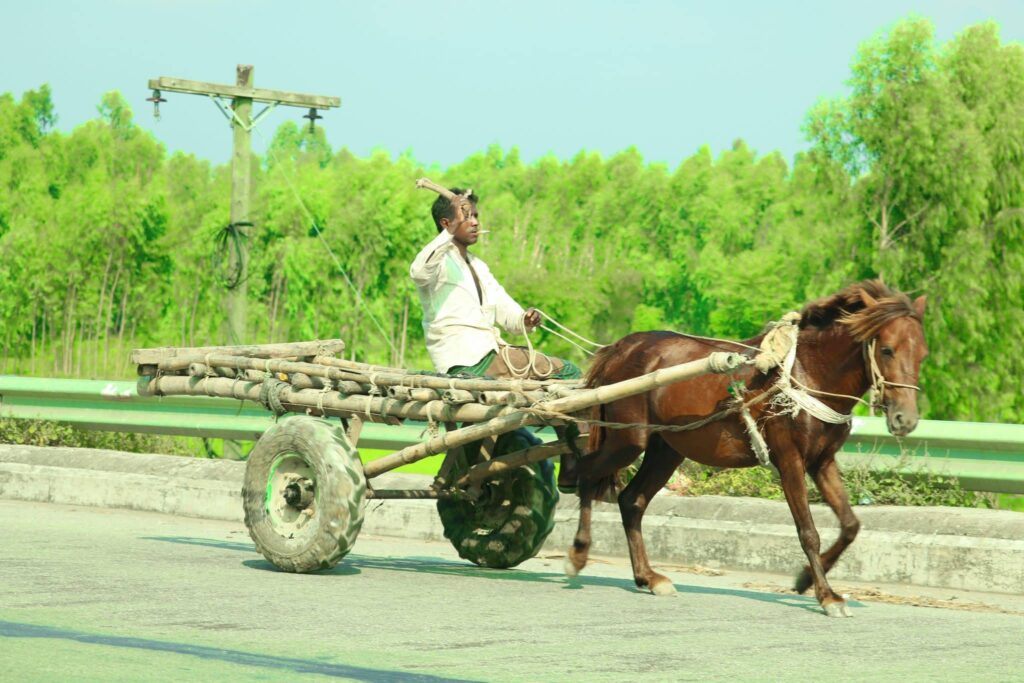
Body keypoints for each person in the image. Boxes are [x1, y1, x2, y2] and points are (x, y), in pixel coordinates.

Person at [410, 186, 581, 491]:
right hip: (467, 361)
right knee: (568, 374)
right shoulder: (435, 264)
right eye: (465, 215)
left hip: (493, 352)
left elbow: (504, 309)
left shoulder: (478, 266)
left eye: (475, 215)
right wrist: (447, 233)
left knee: (566, 377)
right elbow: (417, 271)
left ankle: (571, 460)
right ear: (446, 225)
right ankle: (574, 462)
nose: (474, 221)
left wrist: (523, 319)